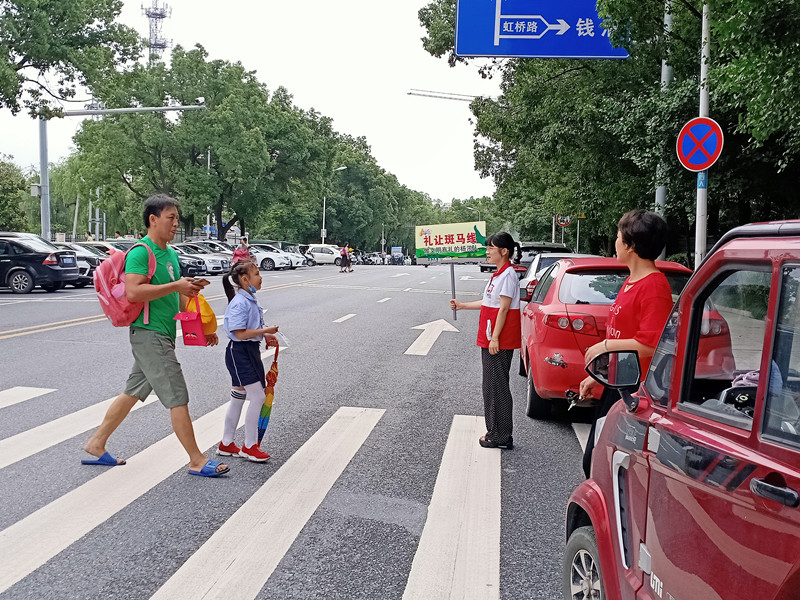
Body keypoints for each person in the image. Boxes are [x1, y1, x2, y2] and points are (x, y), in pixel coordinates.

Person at [82, 194, 229, 477]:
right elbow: (135, 291)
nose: (176, 224)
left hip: (161, 333)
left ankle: (96, 443)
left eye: (177, 218)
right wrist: (176, 285)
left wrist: (205, 328)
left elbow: (180, 297)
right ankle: (197, 459)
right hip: (149, 335)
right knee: (178, 396)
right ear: (153, 219)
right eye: (170, 218)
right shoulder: (142, 252)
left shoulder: (171, 254)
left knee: (132, 392)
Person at [579, 209, 674, 478]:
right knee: (596, 459)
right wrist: (599, 377)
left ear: (631, 245)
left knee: (606, 467)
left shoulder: (654, 286)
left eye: (618, 237)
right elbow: (625, 335)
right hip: (616, 382)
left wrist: (604, 347)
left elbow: (651, 346)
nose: (615, 242)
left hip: (634, 391)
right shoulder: (632, 281)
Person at [450, 232, 522, 449]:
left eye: (491, 248)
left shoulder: (508, 275)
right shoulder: (498, 275)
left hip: (498, 340)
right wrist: (462, 305)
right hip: (491, 337)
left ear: (504, 251)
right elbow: (488, 303)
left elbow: (504, 309)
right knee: (491, 386)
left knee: (496, 387)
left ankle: (500, 436)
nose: (487, 252)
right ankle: (496, 431)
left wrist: (495, 338)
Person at [216, 261, 279, 462]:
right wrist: (265, 332)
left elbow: (249, 328)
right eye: (257, 273)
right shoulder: (240, 302)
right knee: (258, 397)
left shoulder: (249, 298)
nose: (261, 277)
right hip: (240, 352)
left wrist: (265, 334)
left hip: (247, 350)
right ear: (245, 279)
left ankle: (227, 443)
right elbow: (240, 333)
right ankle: (250, 446)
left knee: (238, 395)